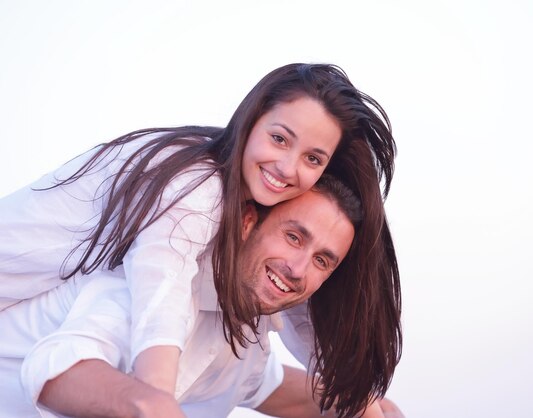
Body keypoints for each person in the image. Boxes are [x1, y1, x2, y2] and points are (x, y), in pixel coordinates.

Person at [0, 63, 401, 417]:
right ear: (251, 121)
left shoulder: (241, 328)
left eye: (312, 158)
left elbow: (293, 338)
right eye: (280, 138)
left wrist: (363, 405)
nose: (287, 166)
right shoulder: (196, 191)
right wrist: (152, 401)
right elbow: (159, 293)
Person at [0, 175, 396, 417]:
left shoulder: (248, 336)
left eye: (322, 261)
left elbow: (271, 389)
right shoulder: (157, 286)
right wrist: (147, 405)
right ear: (246, 224)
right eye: (294, 237)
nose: (298, 268)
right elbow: (52, 367)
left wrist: (364, 407)